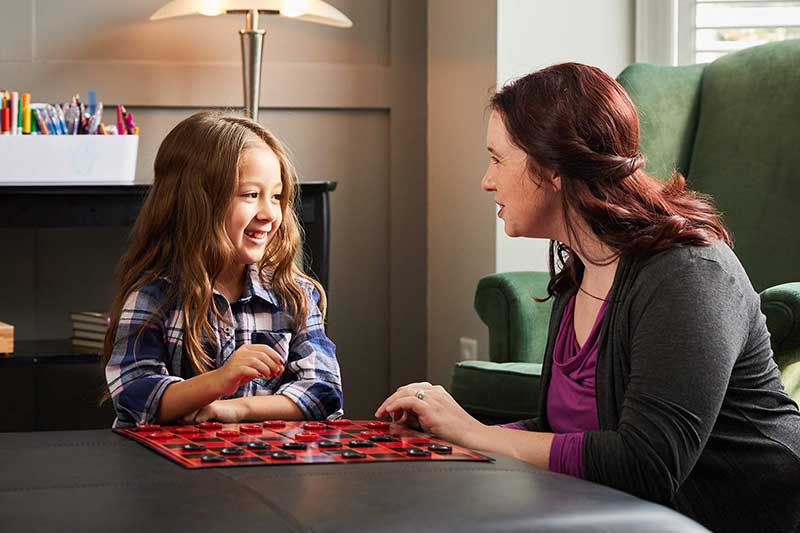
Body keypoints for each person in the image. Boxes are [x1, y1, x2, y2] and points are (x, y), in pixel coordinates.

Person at [376, 63, 800, 532]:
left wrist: (477, 435)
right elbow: (567, 437)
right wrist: (452, 436)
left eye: (497, 159)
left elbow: (647, 464)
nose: (486, 180)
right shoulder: (581, 266)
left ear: (553, 169)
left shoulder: (689, 273)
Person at [104, 111, 343, 428]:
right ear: (196, 202)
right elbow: (135, 397)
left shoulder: (294, 294)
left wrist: (237, 409)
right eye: (251, 195)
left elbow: (323, 393)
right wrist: (219, 381)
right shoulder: (154, 297)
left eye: (276, 196)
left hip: (270, 471)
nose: (270, 213)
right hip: (172, 472)